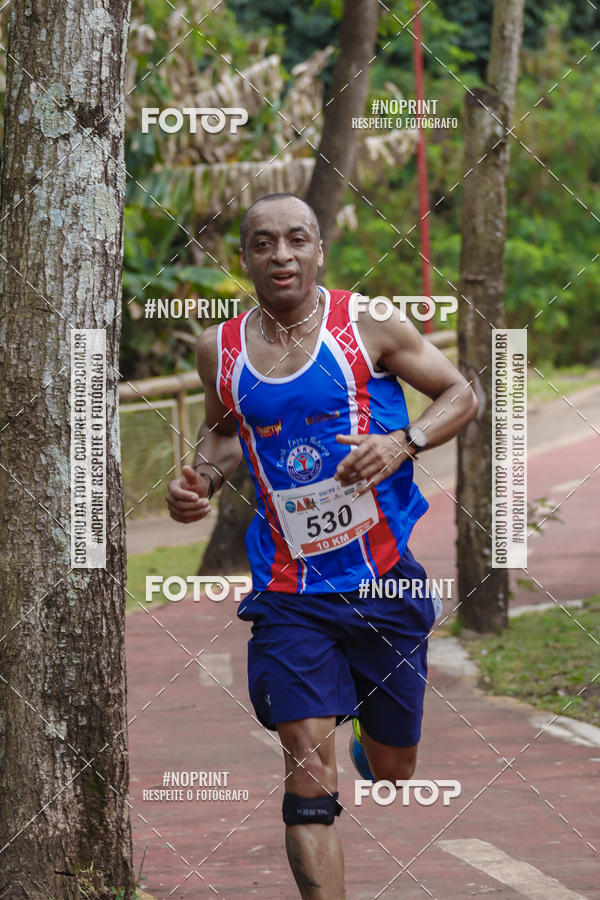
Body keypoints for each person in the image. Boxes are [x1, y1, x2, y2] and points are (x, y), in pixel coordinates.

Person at [166, 193, 478, 898]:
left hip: (384, 581)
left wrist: (404, 441)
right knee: (309, 781)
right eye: (264, 243)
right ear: (243, 257)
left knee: (395, 769)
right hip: (289, 594)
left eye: (297, 240)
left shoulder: (368, 323)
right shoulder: (221, 348)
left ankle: (375, 739)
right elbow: (223, 433)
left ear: (319, 251)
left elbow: (462, 392)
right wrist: (200, 485)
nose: (282, 255)